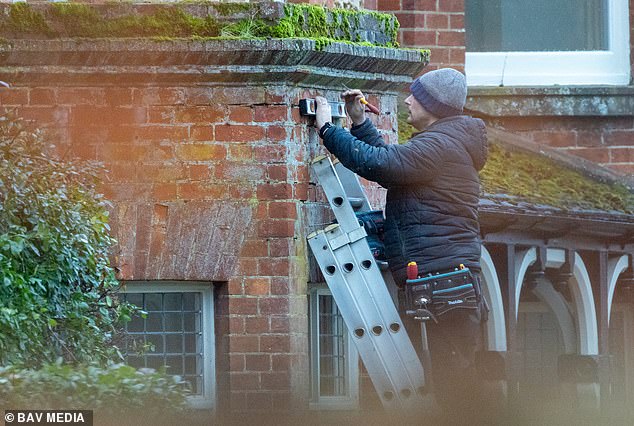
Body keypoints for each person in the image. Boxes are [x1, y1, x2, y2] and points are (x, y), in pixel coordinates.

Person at [314, 68, 490, 420]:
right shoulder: (444, 143)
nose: (408, 101)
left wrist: (326, 129)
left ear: (435, 106)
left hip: (441, 282)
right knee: (450, 380)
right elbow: (398, 164)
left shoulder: (440, 146)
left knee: (453, 385)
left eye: (417, 96)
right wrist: (360, 122)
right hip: (444, 279)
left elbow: (382, 164)